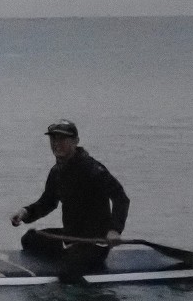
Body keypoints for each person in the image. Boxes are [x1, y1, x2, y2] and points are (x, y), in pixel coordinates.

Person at [11, 119, 130, 280]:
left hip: (95, 243)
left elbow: (121, 198)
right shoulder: (57, 171)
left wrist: (114, 230)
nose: (56, 144)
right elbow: (48, 202)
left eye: (62, 139)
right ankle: (67, 255)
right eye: (53, 139)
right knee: (29, 240)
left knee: (67, 273)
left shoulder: (93, 170)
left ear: (75, 141)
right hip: (70, 237)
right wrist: (25, 212)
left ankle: (75, 266)